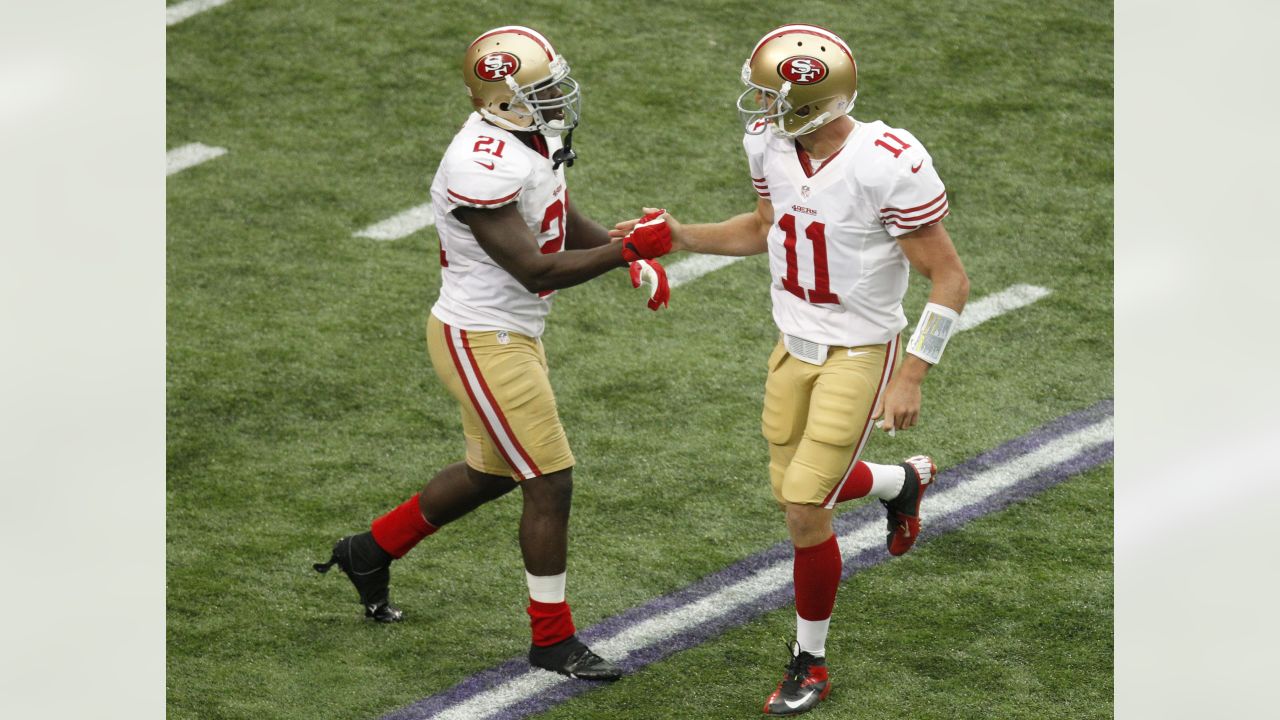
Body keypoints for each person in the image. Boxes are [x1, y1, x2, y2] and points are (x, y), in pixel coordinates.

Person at [611, 24, 970, 715]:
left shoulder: (886, 161)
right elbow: (764, 228)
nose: (761, 107)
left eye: (774, 95)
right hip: (791, 344)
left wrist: (913, 374)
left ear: (817, 102)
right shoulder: (770, 144)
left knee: (807, 508)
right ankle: (903, 482)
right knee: (800, 492)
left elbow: (949, 279)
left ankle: (811, 660)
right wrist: (683, 236)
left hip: (862, 351)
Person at [313, 25, 673, 682]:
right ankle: (551, 641)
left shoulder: (524, 139)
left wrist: (622, 247)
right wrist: (628, 250)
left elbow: (554, 212)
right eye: (541, 89)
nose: (558, 97)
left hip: (506, 334)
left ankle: (369, 550)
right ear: (503, 99)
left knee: (494, 472)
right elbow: (535, 267)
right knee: (549, 479)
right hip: (482, 338)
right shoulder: (479, 160)